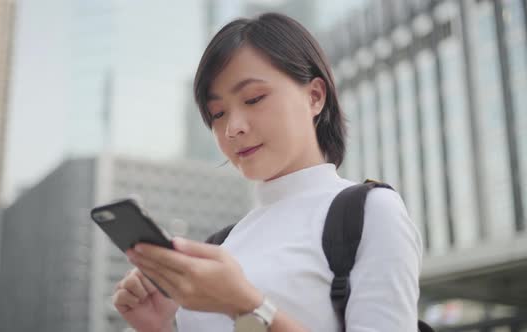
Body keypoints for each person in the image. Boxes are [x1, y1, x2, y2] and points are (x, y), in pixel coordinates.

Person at [112, 12, 423, 332]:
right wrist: (159, 327)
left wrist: (246, 306)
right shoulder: (221, 245)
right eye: (217, 113)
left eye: (254, 98)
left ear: (314, 96)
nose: (233, 128)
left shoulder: (368, 212)